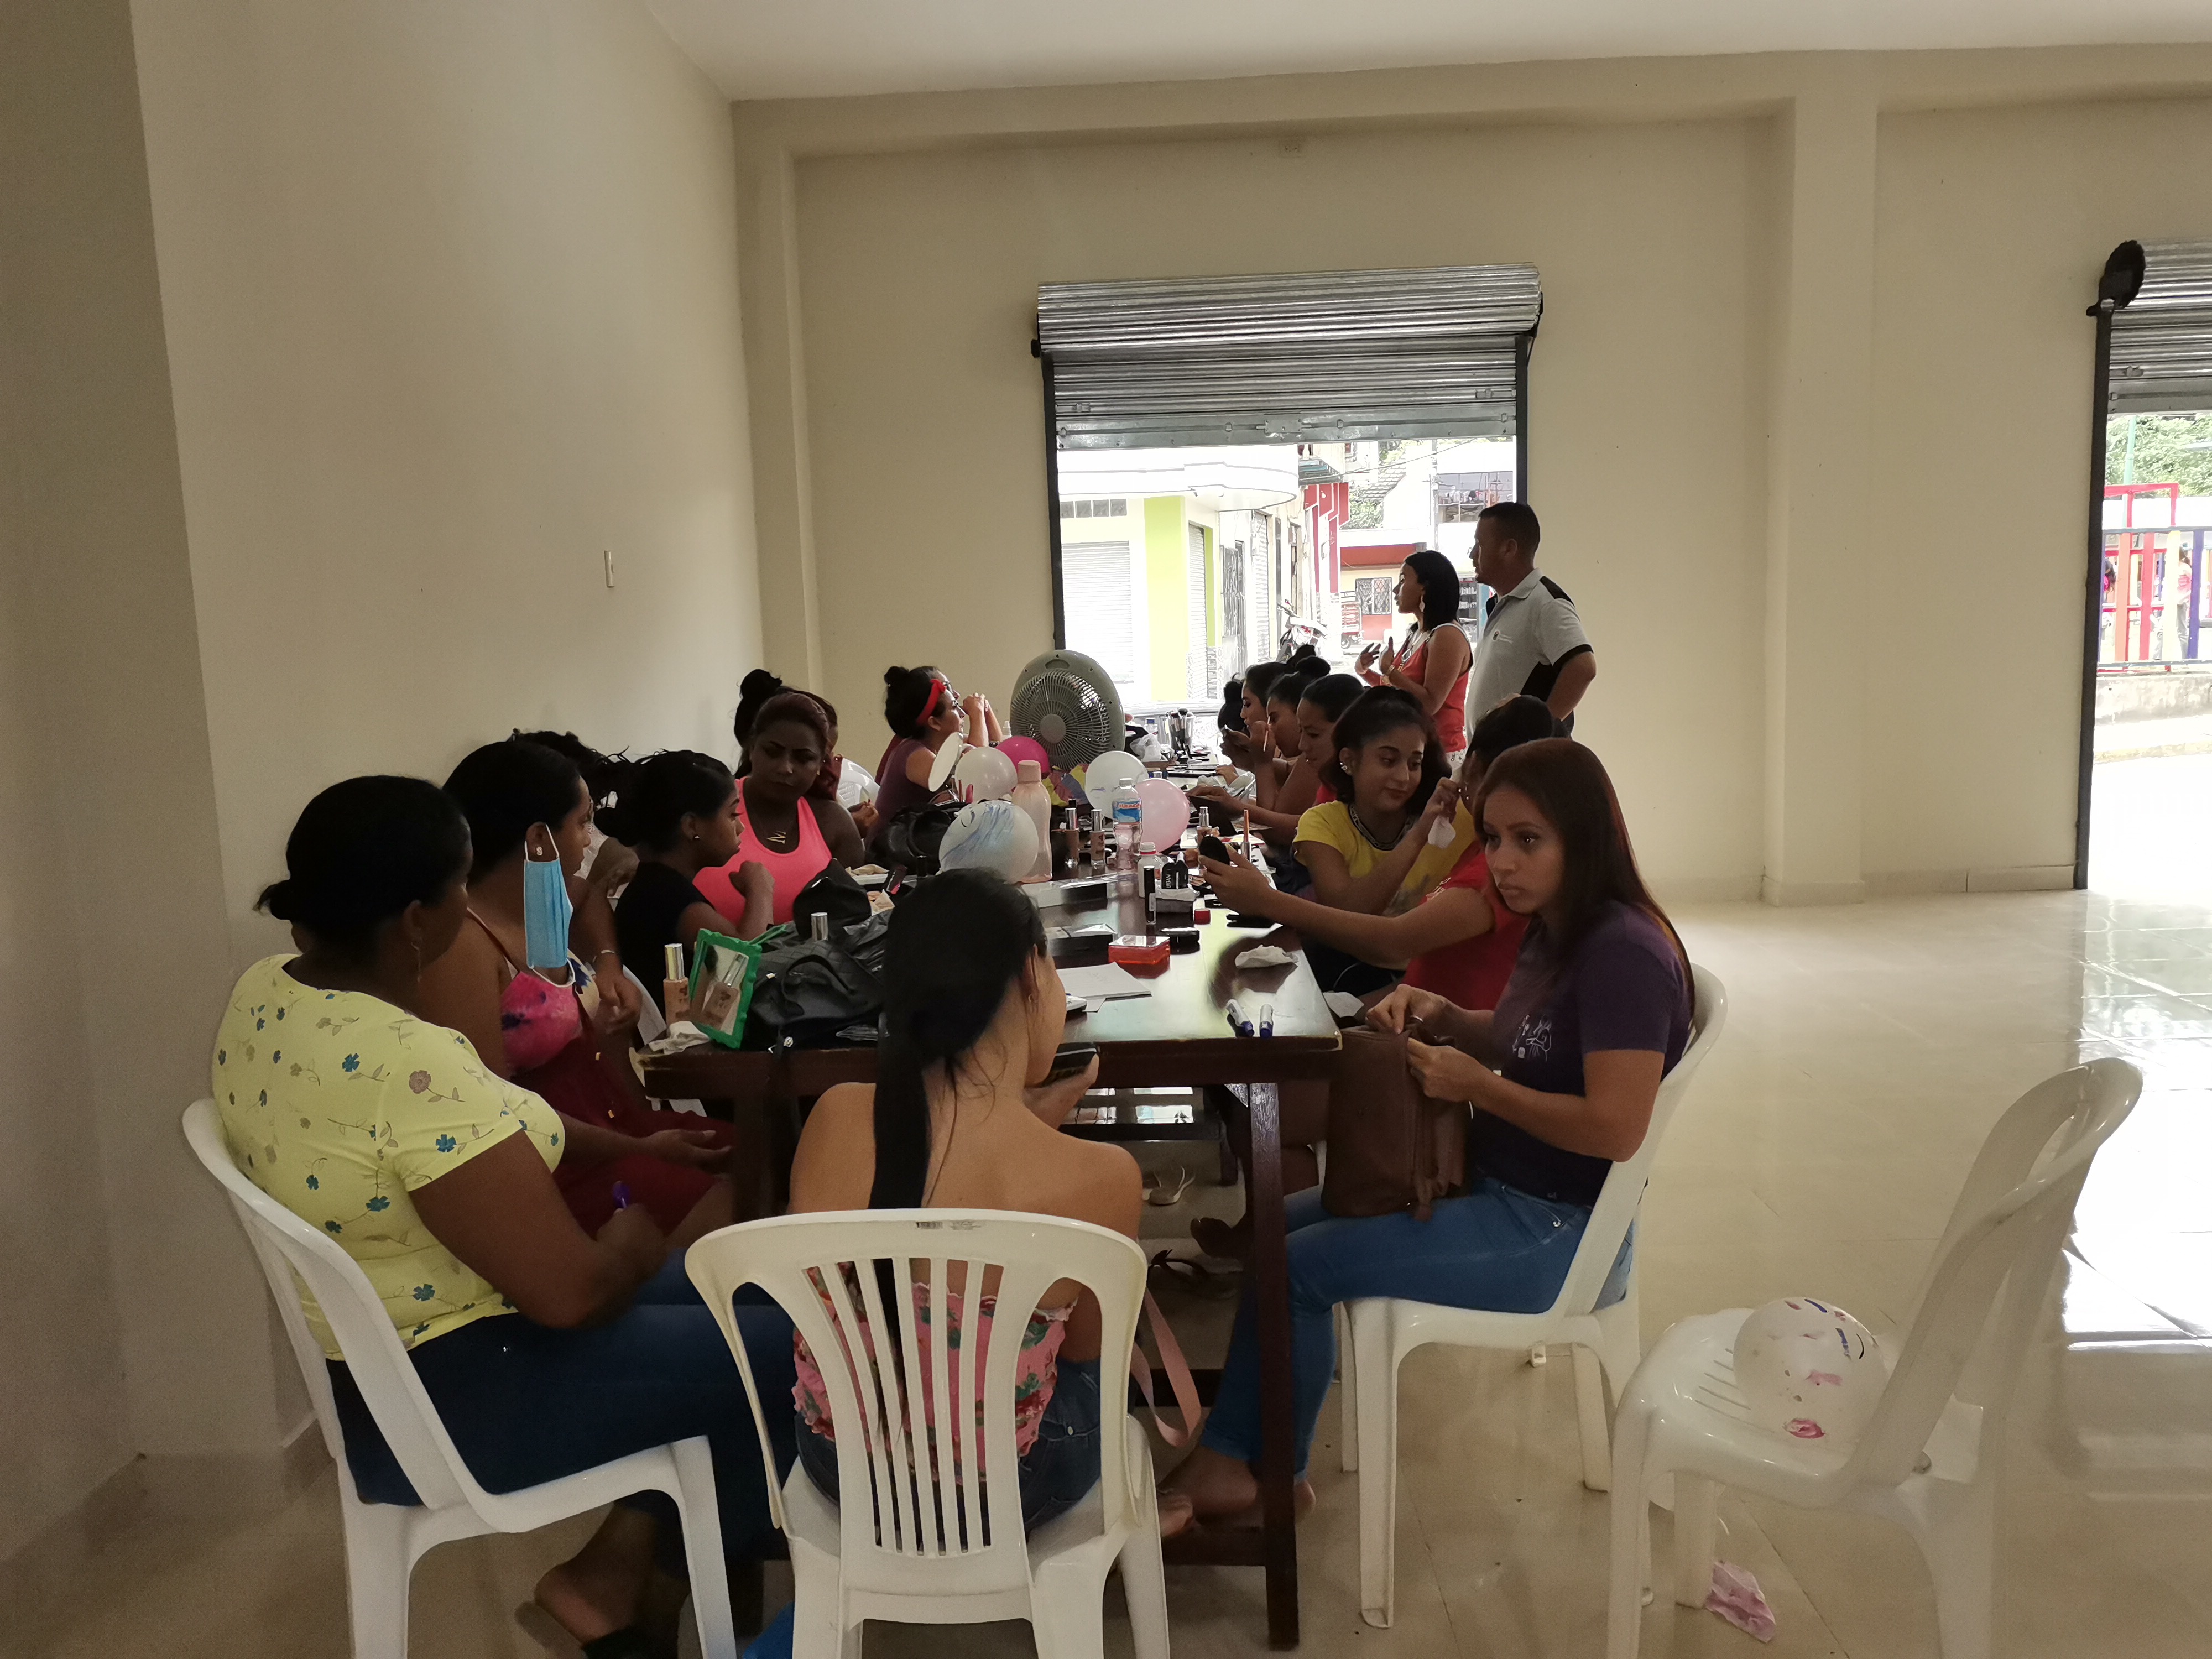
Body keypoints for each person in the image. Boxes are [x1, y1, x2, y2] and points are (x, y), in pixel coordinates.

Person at [218, 775, 794, 1653]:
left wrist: (638, 1148)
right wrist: (631, 1245)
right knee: (802, 1350)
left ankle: (622, 1579)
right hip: (465, 1392)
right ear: (416, 920)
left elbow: (494, 1121)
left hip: (383, 1375)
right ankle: (686, 1587)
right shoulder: (409, 1062)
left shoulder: (269, 995)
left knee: (749, 1293)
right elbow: (572, 1296)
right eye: (459, 887)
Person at [1160, 738, 1693, 1531]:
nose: (1502, 862)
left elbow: (1616, 1128)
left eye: (1528, 840)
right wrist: (1448, 1017)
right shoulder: (1555, 925)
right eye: (1494, 838)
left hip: (1557, 1232)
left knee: (1301, 1267)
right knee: (1275, 1228)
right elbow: (1523, 1040)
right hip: (1496, 1183)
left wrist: (1478, 1087)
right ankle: (1243, 1454)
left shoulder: (1624, 954)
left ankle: (1262, 1473)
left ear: (1585, 836)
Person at [783, 869, 1159, 1533]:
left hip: (841, 1468)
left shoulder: (834, 1117)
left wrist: (1028, 1122)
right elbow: (1083, 1356)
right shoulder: (1103, 1177)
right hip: (1001, 1495)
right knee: (1102, 1372)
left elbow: (935, 1175)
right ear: (1032, 974)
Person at [1190, 696, 1557, 1259]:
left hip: (1437, 1052)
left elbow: (1392, 941)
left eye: (1421, 762)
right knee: (1260, 1075)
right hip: (1416, 1021)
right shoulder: (1479, 850)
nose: (1420, 777)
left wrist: (1268, 901)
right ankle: (1275, 1241)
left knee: (1261, 1105)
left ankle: (1284, 1255)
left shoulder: (1496, 873)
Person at [422, 739, 737, 1238]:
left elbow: (588, 896)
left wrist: (609, 964)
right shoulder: (466, 945)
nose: (591, 842)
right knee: (733, 1197)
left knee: (760, 1149)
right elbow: (496, 1112)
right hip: (560, 1163)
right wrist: (640, 1149)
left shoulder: (541, 906)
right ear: (538, 840)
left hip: (612, 1125)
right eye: (584, 823)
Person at [602, 750, 771, 988]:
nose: (740, 827)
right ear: (692, 826)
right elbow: (742, 967)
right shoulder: (671, 899)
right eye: (733, 815)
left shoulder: (656, 884)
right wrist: (760, 891)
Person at [696, 691, 863, 926]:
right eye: (772, 752)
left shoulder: (834, 824)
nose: (786, 768)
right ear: (752, 748)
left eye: (803, 758)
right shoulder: (709, 809)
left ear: (820, 764)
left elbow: (858, 920)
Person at [1465, 502, 1597, 726]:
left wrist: (1542, 728)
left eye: (1480, 545)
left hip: (1522, 748)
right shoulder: (1503, 603)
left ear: (1509, 549)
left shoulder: (1546, 603)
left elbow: (1584, 667)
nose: (1473, 554)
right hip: (1494, 747)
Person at [1357, 549, 1473, 764]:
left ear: (1424, 587)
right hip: (1413, 750)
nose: (1395, 590)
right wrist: (1364, 672)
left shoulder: (1447, 635)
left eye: (1403, 581)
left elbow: (1430, 704)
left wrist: (1390, 670)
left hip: (1440, 756)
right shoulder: (1416, 632)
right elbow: (1396, 689)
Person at [871, 665, 996, 845]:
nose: (962, 712)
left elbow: (995, 744)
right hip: (890, 851)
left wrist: (986, 711)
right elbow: (978, 767)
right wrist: (976, 713)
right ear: (934, 723)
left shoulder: (943, 743)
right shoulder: (914, 754)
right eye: (955, 706)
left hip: (915, 842)